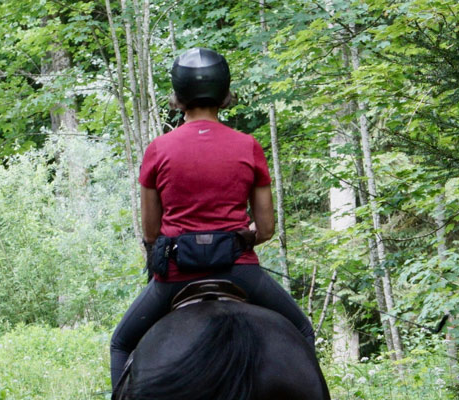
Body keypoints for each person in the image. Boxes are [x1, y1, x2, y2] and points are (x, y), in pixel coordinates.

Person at [109, 47, 317, 387]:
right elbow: (265, 228)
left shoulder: (158, 149)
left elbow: (150, 232)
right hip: (239, 271)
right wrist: (240, 236)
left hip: (175, 276)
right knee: (303, 331)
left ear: (178, 97)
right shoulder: (248, 145)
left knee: (121, 343)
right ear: (224, 95)